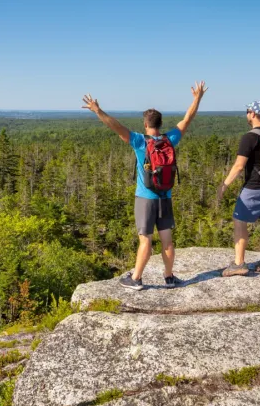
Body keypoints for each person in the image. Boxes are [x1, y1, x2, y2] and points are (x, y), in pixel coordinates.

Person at [82, 82, 207, 290]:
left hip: (145, 198)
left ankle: (136, 279)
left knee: (145, 240)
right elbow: (187, 119)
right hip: (165, 197)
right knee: (167, 240)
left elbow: (116, 126)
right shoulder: (170, 139)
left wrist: (97, 110)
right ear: (160, 123)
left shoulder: (140, 141)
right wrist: (197, 98)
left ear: (145, 123)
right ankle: (169, 277)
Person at [217, 101, 260, 276]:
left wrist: (224, 185)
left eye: (247, 111)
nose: (247, 114)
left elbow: (239, 166)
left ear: (253, 114)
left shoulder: (250, 137)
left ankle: (239, 263)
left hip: (255, 187)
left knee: (239, 221)